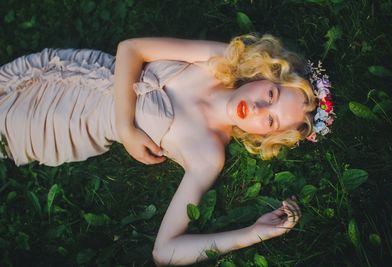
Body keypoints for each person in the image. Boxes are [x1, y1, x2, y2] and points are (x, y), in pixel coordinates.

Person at [0, 33, 334, 265]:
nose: (260, 108)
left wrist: (251, 234)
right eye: (272, 95)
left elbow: (166, 251)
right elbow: (131, 49)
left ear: (267, 138)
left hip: (59, 122)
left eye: (271, 122)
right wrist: (126, 128)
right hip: (63, 72)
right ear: (266, 75)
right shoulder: (222, 61)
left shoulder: (207, 154)